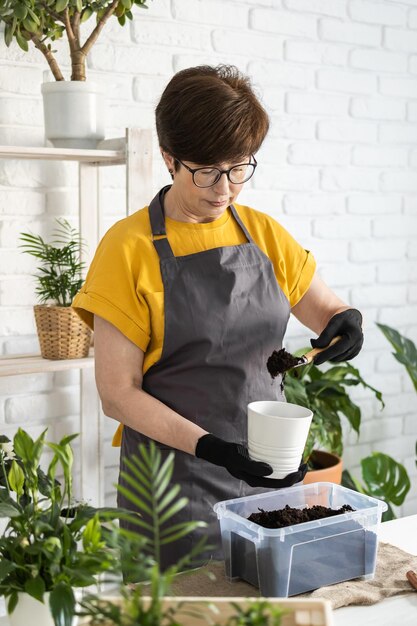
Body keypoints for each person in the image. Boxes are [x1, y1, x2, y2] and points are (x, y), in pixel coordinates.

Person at [72, 65, 363, 569]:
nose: (224, 188)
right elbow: (117, 395)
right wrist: (213, 449)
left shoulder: (263, 233)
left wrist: (345, 321)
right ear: (168, 158)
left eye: (239, 167)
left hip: (263, 477)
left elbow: (326, 310)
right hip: (170, 488)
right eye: (206, 171)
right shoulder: (127, 249)